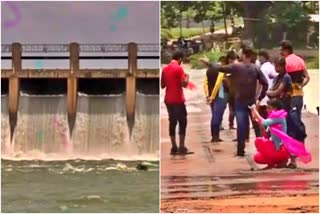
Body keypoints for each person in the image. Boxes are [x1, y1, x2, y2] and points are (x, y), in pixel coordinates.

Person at [202, 48, 268, 156]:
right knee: (256, 125)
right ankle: (262, 149)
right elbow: (265, 83)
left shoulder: (236, 67)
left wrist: (209, 63)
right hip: (251, 100)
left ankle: (240, 150)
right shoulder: (255, 68)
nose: (239, 56)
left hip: (240, 100)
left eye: (241, 54)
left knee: (241, 126)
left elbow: (220, 68)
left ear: (245, 55)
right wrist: (259, 97)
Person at [267, 57, 307, 168]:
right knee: (278, 135)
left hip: (285, 111)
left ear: (283, 66)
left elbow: (276, 91)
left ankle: (292, 160)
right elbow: (272, 91)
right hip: (278, 111)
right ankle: (282, 159)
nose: (275, 68)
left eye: (277, 66)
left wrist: (270, 93)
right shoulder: (278, 78)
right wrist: (271, 93)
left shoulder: (286, 78)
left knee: (289, 135)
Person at [161, 51, 193, 155]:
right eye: (181, 60)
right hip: (178, 100)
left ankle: (174, 147)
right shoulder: (179, 68)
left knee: (172, 122)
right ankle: (182, 147)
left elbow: (162, 85)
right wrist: (187, 77)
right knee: (182, 122)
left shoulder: (165, 69)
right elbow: (184, 84)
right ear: (179, 59)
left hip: (168, 100)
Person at [249, 99, 290, 168]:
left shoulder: (279, 117)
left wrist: (255, 111)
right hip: (276, 147)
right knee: (257, 157)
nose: (267, 110)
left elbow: (265, 123)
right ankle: (275, 162)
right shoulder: (274, 117)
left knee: (259, 141)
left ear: (275, 108)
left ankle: (281, 161)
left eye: (269, 108)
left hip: (281, 148)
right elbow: (265, 133)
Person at [280, 40, 310, 120]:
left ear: (286, 50)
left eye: (281, 50)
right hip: (299, 93)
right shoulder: (300, 60)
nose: (280, 52)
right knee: (297, 119)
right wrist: (300, 85)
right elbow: (307, 77)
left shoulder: (285, 62)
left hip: (288, 95)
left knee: (288, 120)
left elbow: (283, 79)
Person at [202, 56, 228, 142]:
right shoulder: (220, 70)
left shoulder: (209, 70)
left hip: (210, 94)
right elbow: (218, 84)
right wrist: (213, 96)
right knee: (217, 116)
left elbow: (205, 83)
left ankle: (214, 136)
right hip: (219, 94)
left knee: (214, 115)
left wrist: (208, 95)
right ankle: (215, 137)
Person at [258, 50, 278, 119]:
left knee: (263, 119)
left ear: (263, 57)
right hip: (272, 96)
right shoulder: (273, 67)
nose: (258, 59)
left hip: (263, 97)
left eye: (259, 57)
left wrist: (257, 96)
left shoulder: (262, 69)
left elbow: (260, 84)